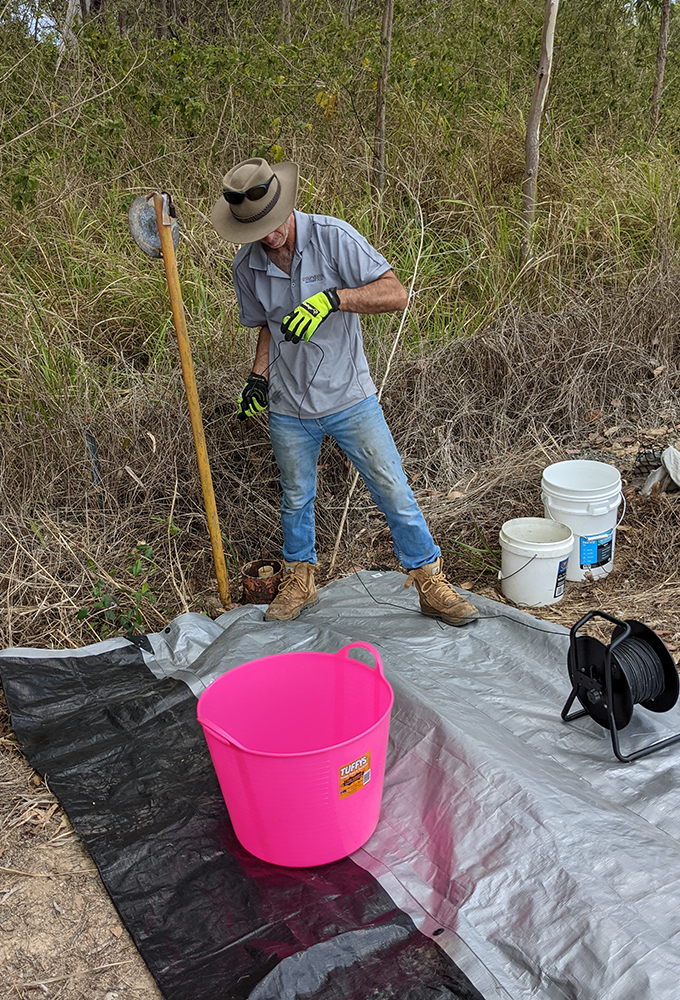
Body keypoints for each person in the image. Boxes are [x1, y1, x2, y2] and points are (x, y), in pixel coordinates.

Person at [211, 157, 478, 627]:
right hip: (289, 406)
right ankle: (301, 579)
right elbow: (269, 328)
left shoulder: (333, 237)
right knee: (295, 495)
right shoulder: (246, 266)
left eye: (274, 224)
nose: (270, 235)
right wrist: (258, 376)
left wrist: (334, 299)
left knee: (391, 488)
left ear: (286, 205)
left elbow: (395, 293)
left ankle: (429, 579)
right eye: (257, 230)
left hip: (350, 397)